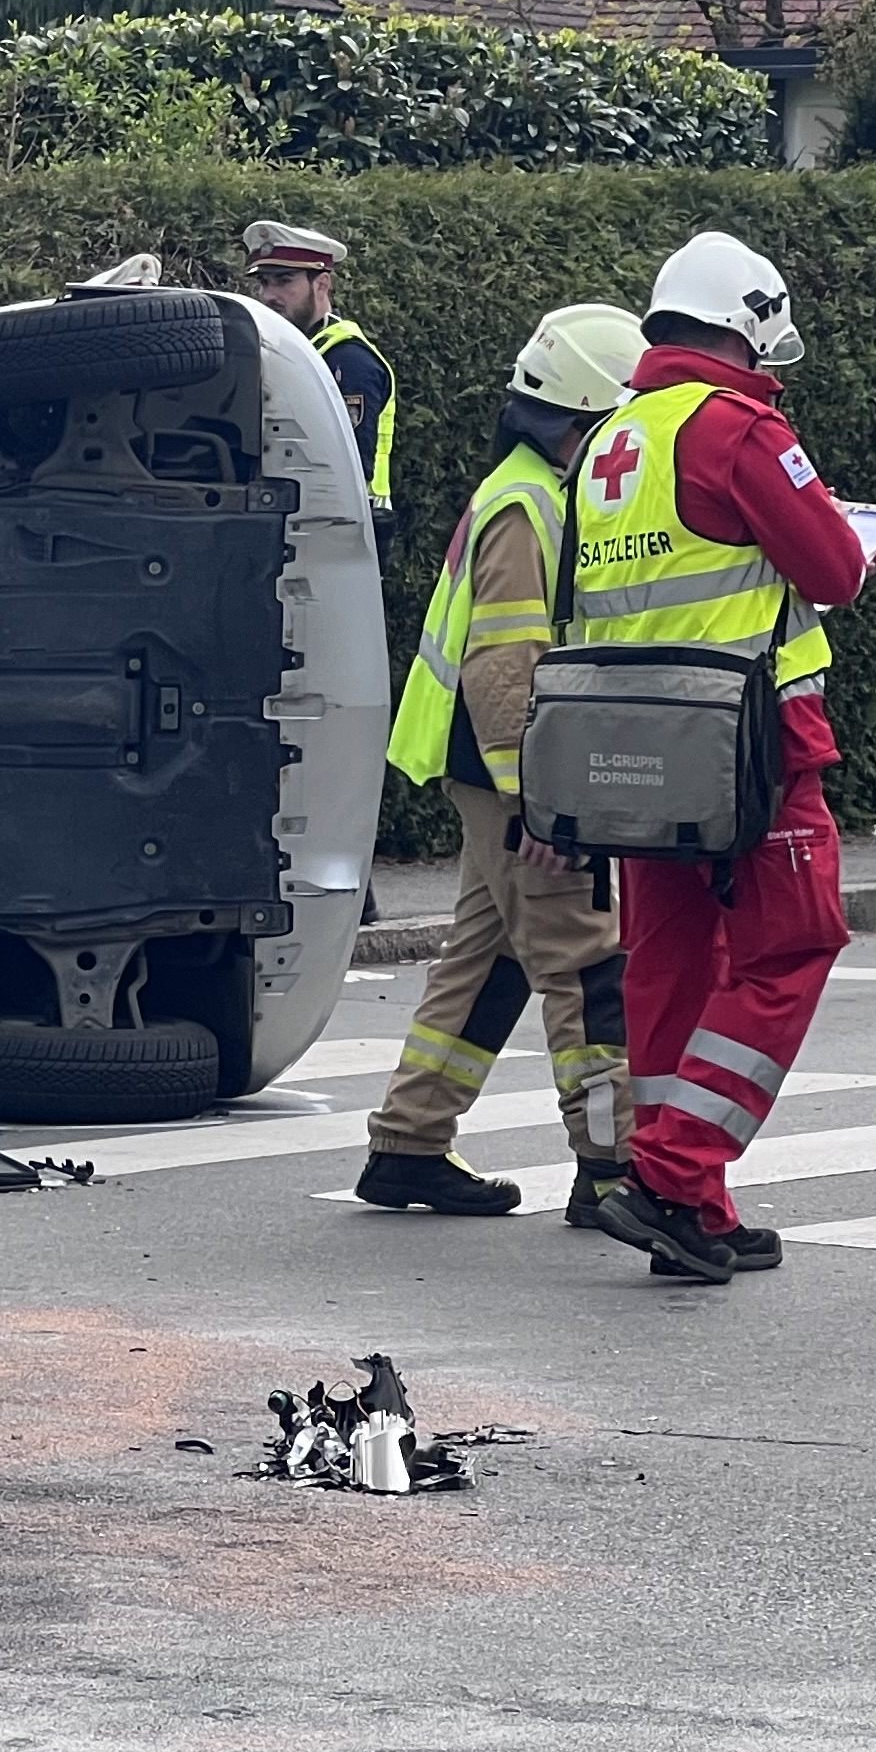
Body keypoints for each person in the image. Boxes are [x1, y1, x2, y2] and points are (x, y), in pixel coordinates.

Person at [571, 232, 876, 1285]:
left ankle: (688, 1205)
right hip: (751, 748)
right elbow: (833, 568)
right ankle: (674, 1172)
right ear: (749, 325)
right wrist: (857, 537)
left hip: (634, 746)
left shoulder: (612, 438)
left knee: (668, 967)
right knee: (793, 947)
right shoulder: (739, 427)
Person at [361, 301, 649, 1219]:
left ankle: (408, 1144)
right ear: (587, 419)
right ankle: (612, 1170)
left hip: (490, 770)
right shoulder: (532, 507)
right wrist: (545, 803)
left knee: (488, 961)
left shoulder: (531, 490)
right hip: (514, 773)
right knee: (585, 964)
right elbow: (503, 670)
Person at [244, 221, 396, 548]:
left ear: (322, 284)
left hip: (340, 536)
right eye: (264, 283)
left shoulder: (348, 360)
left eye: (285, 282)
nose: (269, 296)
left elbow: (345, 467)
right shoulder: (283, 349)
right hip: (291, 527)